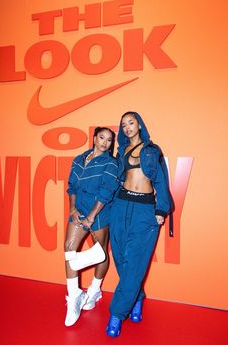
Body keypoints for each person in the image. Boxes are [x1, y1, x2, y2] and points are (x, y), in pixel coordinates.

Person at [106, 112, 172, 337]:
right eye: (123, 125)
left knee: (134, 263)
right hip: (120, 206)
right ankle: (137, 297)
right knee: (122, 261)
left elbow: (161, 180)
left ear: (140, 125)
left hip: (144, 212)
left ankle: (116, 314)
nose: (127, 127)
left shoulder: (152, 150)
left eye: (131, 122)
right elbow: (114, 180)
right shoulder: (120, 152)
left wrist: (161, 209)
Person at [64, 127, 119, 327]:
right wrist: (72, 209)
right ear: (94, 138)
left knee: (100, 252)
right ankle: (74, 296)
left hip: (100, 212)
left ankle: (95, 290)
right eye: (102, 137)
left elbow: (106, 192)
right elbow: (72, 186)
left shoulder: (111, 164)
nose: (105, 142)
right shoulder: (79, 159)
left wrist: (91, 217)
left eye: (109, 140)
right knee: (69, 249)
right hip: (79, 211)